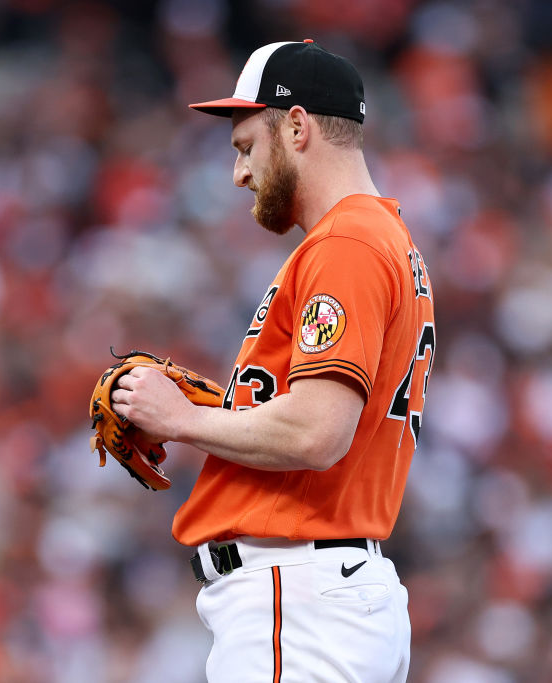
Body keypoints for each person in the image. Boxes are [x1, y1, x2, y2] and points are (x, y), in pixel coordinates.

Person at [109, 40, 434, 682]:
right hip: (325, 590)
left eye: (246, 146)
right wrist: (206, 407)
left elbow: (317, 432)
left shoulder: (347, 243)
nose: (239, 174)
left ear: (296, 125)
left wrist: (180, 419)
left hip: (300, 594)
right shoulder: (379, 239)